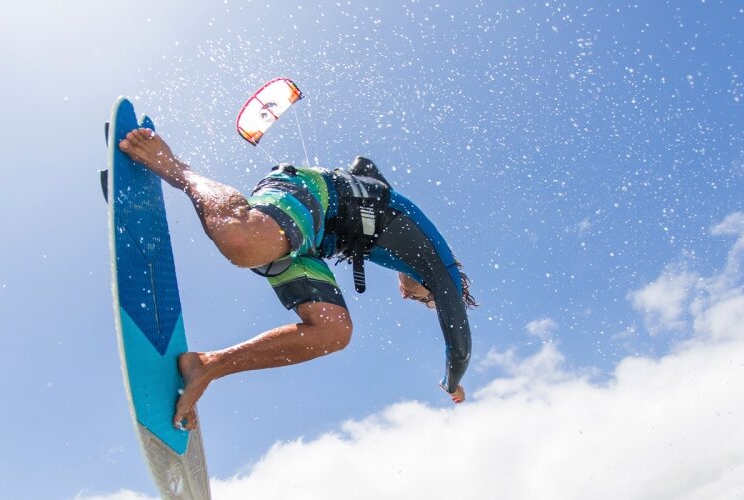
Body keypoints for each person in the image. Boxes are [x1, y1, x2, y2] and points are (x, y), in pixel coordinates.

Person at [119, 128, 476, 430]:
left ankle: (209, 365)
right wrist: (452, 383)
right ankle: (178, 169)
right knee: (244, 243)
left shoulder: (411, 249)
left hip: (311, 245)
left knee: (334, 332)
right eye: (423, 300)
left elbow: (366, 167)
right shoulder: (440, 268)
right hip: (314, 193)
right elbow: (459, 344)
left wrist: (364, 171)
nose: (408, 297)